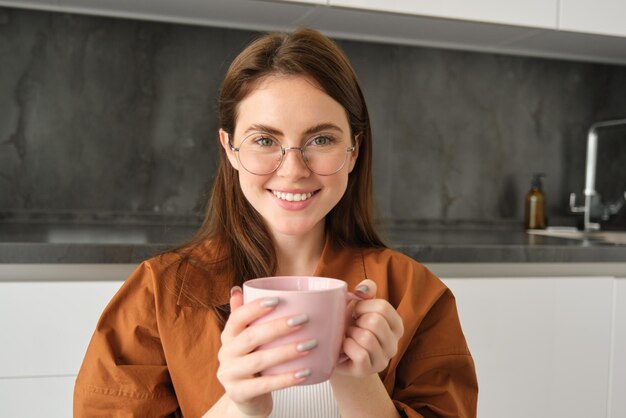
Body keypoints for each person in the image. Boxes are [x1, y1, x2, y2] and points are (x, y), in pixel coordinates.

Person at [74, 27, 478, 418]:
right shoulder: (155, 297)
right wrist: (238, 407)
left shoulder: (419, 298)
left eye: (321, 139)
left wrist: (361, 383)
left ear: (354, 152)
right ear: (230, 150)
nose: (293, 170)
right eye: (265, 140)